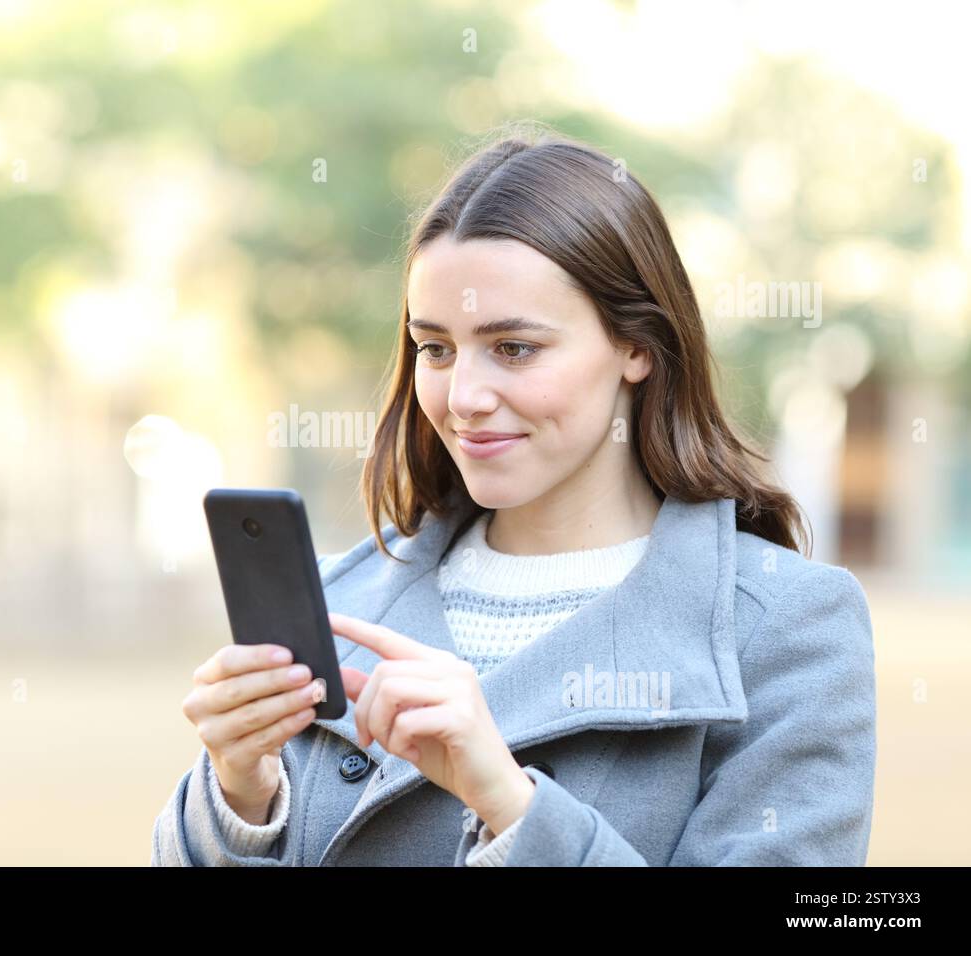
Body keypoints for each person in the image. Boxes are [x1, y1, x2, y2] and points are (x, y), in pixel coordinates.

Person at [151, 126, 876, 866]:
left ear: (638, 347)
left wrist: (509, 802)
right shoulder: (339, 607)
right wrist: (241, 798)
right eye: (435, 348)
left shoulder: (784, 626)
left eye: (514, 348)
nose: (463, 397)